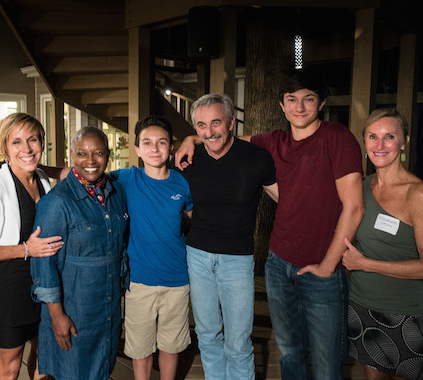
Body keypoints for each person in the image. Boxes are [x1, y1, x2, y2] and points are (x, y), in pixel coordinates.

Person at [175, 69, 364, 379]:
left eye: (308, 99)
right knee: (288, 352)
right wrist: (191, 137)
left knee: (327, 361)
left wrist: (329, 265)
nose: (299, 107)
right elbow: (221, 140)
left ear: (322, 102)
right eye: (292, 100)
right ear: (281, 105)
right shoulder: (273, 142)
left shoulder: (335, 137)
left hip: (320, 264)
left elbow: (354, 207)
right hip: (277, 263)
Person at [179, 93, 278, 380]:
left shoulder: (256, 158)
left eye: (216, 122)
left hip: (238, 259)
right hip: (197, 256)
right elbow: (179, 201)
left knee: (237, 342)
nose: (209, 132)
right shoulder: (188, 158)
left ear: (232, 122)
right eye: (200, 126)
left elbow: (284, 199)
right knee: (208, 335)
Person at [0, 113, 63, 380]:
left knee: (43, 359)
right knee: (9, 368)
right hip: (8, 292)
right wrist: (25, 250)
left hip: (44, 287)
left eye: (33, 140)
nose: (26, 149)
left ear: (41, 143)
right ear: (4, 148)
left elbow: (53, 169)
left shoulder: (41, 179)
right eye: (16, 142)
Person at [342, 108, 423, 380]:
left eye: (389, 137)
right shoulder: (361, 186)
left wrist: (366, 264)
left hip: (404, 313)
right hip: (361, 306)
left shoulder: (419, 194)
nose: (380, 145)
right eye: (373, 136)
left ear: (404, 142)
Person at [30, 127, 129, 380]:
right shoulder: (56, 202)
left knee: (103, 367)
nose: (90, 161)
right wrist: (57, 316)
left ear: (108, 155)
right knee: (73, 371)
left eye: (98, 153)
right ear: (72, 155)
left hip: (108, 303)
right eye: (82, 153)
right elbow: (44, 265)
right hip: (75, 307)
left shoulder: (116, 194)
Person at [110, 116, 193, 380]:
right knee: (140, 346)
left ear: (171, 147)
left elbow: (197, 220)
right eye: (147, 143)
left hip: (178, 279)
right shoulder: (126, 178)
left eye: (161, 142)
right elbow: (82, 173)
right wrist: (39, 169)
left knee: (171, 344)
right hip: (139, 281)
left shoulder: (183, 183)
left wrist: (193, 138)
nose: (154, 149)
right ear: (136, 149)